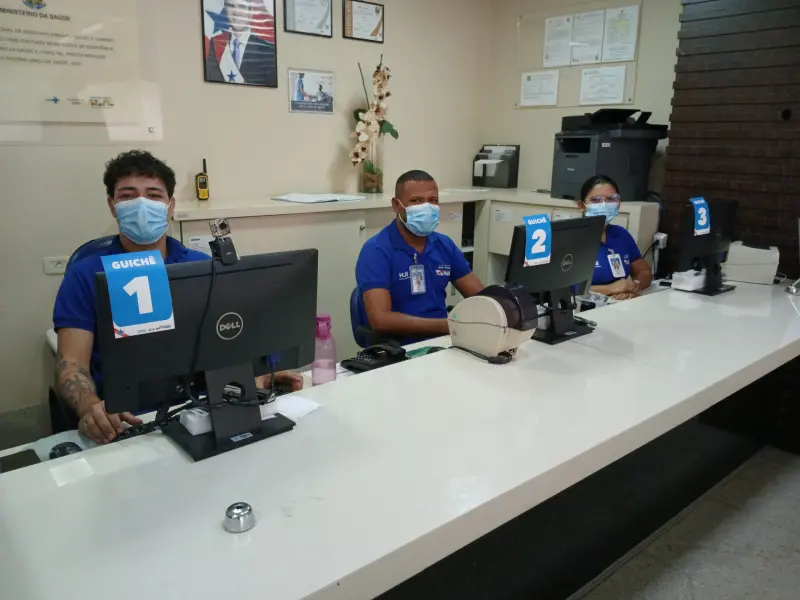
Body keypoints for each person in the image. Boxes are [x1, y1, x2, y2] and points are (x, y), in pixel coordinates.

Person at [53, 150, 301, 445]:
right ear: (112, 206)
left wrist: (257, 375)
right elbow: (71, 363)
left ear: (170, 206)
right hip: (126, 421)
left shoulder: (201, 266)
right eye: (128, 196)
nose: (141, 205)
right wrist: (89, 406)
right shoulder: (85, 274)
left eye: (154, 195)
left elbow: (227, 340)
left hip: (202, 410)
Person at [355, 170, 484, 343]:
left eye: (433, 200)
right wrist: (450, 326)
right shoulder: (376, 250)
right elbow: (380, 320)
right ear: (396, 205)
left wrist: (504, 305)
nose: (426, 207)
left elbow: (481, 296)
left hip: (446, 341)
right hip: (401, 349)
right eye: (416, 201)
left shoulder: (443, 244)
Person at [579, 175, 653, 301]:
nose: (604, 205)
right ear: (582, 205)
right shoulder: (571, 238)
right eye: (596, 200)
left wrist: (634, 287)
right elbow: (563, 288)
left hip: (620, 305)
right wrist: (611, 289)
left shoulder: (621, 235)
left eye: (611, 199)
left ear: (618, 204)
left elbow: (644, 271)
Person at [204, 0, 277, 87]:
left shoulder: (268, 51)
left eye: (242, 7)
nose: (236, 12)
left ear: (250, 12)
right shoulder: (215, 44)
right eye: (231, 6)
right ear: (226, 10)